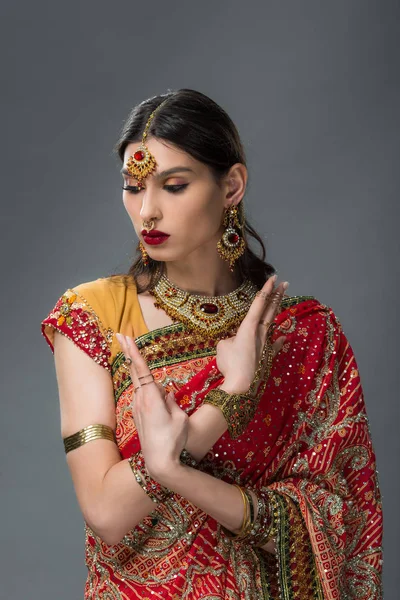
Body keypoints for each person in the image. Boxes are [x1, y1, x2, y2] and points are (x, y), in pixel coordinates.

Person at [40, 88, 383, 600]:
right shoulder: (93, 315)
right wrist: (229, 397)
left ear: (232, 187)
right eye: (133, 188)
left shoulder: (305, 333)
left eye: (173, 186)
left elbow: (337, 520)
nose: (147, 211)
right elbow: (107, 514)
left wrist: (169, 468)